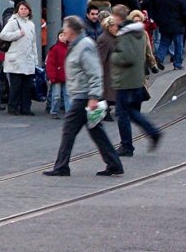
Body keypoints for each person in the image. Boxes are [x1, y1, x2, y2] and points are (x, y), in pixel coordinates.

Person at [43, 16, 124, 177]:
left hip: (84, 96)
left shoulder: (84, 46)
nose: (63, 31)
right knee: (96, 131)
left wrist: (94, 96)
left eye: (65, 28)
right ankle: (114, 164)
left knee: (69, 130)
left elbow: (94, 72)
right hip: (83, 95)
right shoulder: (76, 45)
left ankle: (62, 166)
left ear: (72, 30)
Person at [111, 14, 161, 157]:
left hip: (125, 80)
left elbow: (127, 57)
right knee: (131, 111)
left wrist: (112, 56)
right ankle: (152, 132)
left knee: (122, 113)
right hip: (136, 79)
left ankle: (127, 145)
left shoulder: (125, 36)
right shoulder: (139, 33)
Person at [0, 0, 39, 116]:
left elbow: (33, 43)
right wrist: (17, 34)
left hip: (28, 59)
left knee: (27, 86)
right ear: (17, 10)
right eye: (21, 9)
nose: (23, 11)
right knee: (16, 86)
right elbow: (3, 35)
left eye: (25, 9)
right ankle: (13, 107)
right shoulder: (13, 22)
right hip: (15, 59)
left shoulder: (31, 24)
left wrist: (35, 59)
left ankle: (26, 108)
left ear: (29, 11)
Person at [153, 0, 186, 71]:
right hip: (178, 25)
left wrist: (159, 22)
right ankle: (177, 63)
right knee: (178, 45)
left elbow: (158, 10)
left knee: (164, 43)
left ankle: (159, 58)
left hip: (165, 25)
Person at [96, 16, 118, 121]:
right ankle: (103, 113)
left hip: (113, 70)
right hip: (107, 71)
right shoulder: (104, 39)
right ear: (110, 27)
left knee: (110, 94)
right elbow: (101, 57)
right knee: (106, 94)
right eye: (115, 26)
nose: (117, 28)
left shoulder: (113, 37)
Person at [45, 30, 70, 118]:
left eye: (64, 35)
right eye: (61, 35)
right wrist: (51, 76)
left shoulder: (69, 48)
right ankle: (54, 111)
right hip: (57, 76)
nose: (63, 38)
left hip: (66, 75)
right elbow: (50, 64)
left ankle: (68, 112)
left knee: (67, 95)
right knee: (56, 95)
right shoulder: (54, 48)